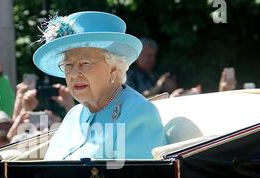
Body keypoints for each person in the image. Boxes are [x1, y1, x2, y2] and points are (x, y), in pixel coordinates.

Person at [33, 12, 167, 160]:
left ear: (113, 69)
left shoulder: (139, 113)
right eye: (68, 65)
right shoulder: (74, 115)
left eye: (85, 63)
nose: (74, 74)